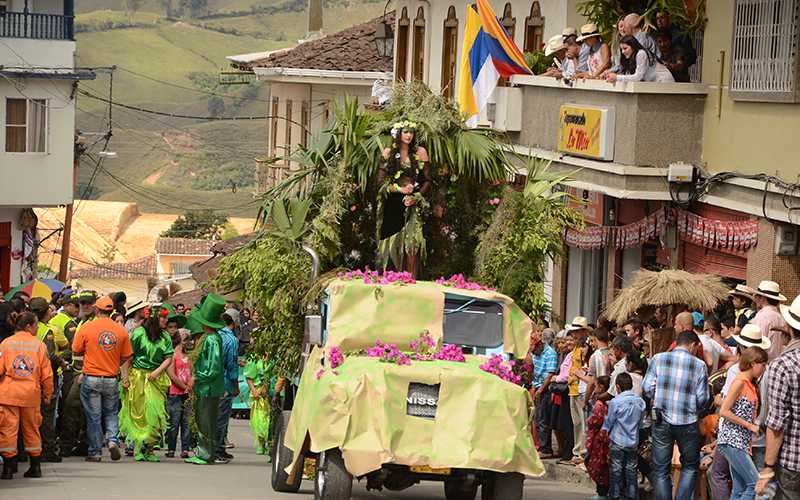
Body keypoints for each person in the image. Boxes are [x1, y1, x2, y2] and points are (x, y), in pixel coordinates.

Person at [644, 329, 709, 500]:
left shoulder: (658, 358)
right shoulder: (699, 365)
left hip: (661, 419)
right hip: (687, 422)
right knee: (689, 466)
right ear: (693, 345)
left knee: (660, 469)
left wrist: (659, 398)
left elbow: (647, 387)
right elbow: (703, 398)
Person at [71, 295, 132, 462]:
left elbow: (75, 350)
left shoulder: (87, 328)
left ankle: (95, 452)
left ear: (97, 310)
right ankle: (112, 441)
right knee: (112, 413)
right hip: (111, 378)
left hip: (91, 377)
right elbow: (126, 355)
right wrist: (113, 363)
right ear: (111, 310)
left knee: (94, 416)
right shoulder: (121, 330)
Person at [0, 312, 54, 479]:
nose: (38, 328)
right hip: (31, 394)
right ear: (29, 326)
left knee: (8, 430)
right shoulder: (39, 346)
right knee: (32, 429)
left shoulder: (6, 344)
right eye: (36, 325)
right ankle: (35, 467)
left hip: (8, 393)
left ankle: (8, 470)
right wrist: (48, 394)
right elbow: (47, 374)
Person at [756, 295, 800, 499]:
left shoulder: (782, 366)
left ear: (789, 328)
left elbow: (776, 424)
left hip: (793, 461)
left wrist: (767, 467)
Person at [119, 304, 175, 462]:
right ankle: (138, 447)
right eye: (163, 317)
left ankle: (150, 449)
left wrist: (157, 371)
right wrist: (125, 378)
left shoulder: (165, 336)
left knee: (155, 415)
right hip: (137, 377)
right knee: (139, 414)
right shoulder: (138, 334)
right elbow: (128, 357)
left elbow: (168, 357)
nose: (166, 320)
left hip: (156, 380)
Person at [376, 120, 430, 271]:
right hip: (393, 203)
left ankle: (410, 278)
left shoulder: (421, 152)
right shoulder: (388, 152)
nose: (408, 135)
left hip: (412, 204)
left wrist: (416, 197)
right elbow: (379, 183)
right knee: (390, 242)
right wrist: (400, 190)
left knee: (412, 243)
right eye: (405, 132)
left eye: (411, 132)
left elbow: (427, 181)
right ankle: (389, 276)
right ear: (398, 133)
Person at [718, 346, 769, 500]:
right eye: (763, 365)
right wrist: (750, 426)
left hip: (740, 441)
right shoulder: (739, 382)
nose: (764, 368)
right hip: (733, 440)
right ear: (753, 363)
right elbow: (724, 411)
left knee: (739, 488)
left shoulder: (749, 383)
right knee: (755, 484)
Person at [184, 294, 226, 465]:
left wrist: (196, 377)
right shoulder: (211, 338)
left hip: (208, 387)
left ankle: (206, 453)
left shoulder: (211, 339)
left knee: (206, 420)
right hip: (206, 386)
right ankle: (206, 452)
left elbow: (213, 368)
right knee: (204, 419)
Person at [29, 297, 66, 463]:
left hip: (27, 377)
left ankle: (25, 450)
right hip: (45, 378)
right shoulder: (46, 331)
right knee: (47, 414)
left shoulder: (24, 329)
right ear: (44, 313)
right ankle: (47, 450)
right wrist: (63, 362)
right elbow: (50, 355)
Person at [604, 372, 646, 500]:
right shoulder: (640, 402)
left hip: (617, 441)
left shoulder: (615, 402)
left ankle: (616, 496)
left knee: (616, 471)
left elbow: (609, 422)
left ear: (617, 386)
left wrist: (604, 434)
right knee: (631, 472)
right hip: (633, 441)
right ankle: (632, 497)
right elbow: (640, 423)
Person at [51, 293, 80, 457]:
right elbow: (73, 347)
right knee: (68, 409)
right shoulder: (69, 323)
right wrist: (62, 359)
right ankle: (65, 444)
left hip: (52, 368)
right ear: (68, 305)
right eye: (76, 306)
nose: (78, 309)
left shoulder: (53, 319)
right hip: (65, 370)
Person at [565, 316, 591, 465]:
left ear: (582, 331)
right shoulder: (576, 346)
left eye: (576, 331)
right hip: (573, 388)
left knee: (582, 422)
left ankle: (582, 453)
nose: (573, 334)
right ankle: (577, 452)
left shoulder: (585, 347)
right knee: (576, 423)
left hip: (581, 388)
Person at [215, 312, 239, 463]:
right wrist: (236, 385)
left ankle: (219, 448)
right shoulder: (231, 339)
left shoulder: (214, 336)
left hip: (212, 381)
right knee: (222, 417)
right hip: (225, 382)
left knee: (214, 416)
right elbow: (232, 366)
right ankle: (217, 449)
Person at [166, 328, 194, 459]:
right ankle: (171, 448)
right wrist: (183, 386)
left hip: (188, 393)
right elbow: (171, 374)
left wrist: (190, 385)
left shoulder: (190, 356)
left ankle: (185, 448)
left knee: (187, 422)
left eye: (188, 338)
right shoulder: (172, 354)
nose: (187, 341)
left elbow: (194, 372)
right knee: (174, 421)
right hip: (175, 393)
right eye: (184, 338)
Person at [531, 329, 558, 458]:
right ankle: (541, 446)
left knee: (543, 420)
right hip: (536, 386)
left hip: (544, 389)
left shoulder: (550, 353)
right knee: (537, 418)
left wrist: (541, 390)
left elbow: (550, 373)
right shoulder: (536, 352)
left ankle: (546, 449)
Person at [606, 35, 674, 83]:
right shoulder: (631, 57)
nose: (623, 52)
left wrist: (617, 77)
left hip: (664, 82)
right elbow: (629, 76)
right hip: (655, 84)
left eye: (625, 48)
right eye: (621, 49)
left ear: (633, 46)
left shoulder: (641, 53)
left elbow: (638, 77)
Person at [585, 375, 611, 500]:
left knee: (598, 466)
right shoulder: (606, 403)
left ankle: (602, 494)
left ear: (601, 387)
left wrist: (589, 421)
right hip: (602, 439)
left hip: (598, 440)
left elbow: (595, 420)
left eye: (595, 386)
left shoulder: (599, 404)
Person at [749, 280, 787, 361]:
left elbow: (756, 345)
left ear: (762, 298)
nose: (755, 299)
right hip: (777, 362)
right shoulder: (781, 317)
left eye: (757, 296)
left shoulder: (762, 317)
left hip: (762, 364)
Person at [244, 353, 274, 455]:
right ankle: (261, 443)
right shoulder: (254, 358)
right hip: (258, 395)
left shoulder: (274, 358)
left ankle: (270, 443)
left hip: (271, 393)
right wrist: (254, 391)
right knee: (260, 419)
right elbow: (249, 377)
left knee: (270, 419)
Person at [577, 327, 612, 411]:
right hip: (610, 395)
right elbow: (606, 362)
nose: (591, 344)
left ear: (596, 339)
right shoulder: (610, 352)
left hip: (598, 396)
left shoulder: (595, 356)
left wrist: (585, 401)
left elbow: (591, 382)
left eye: (592, 341)